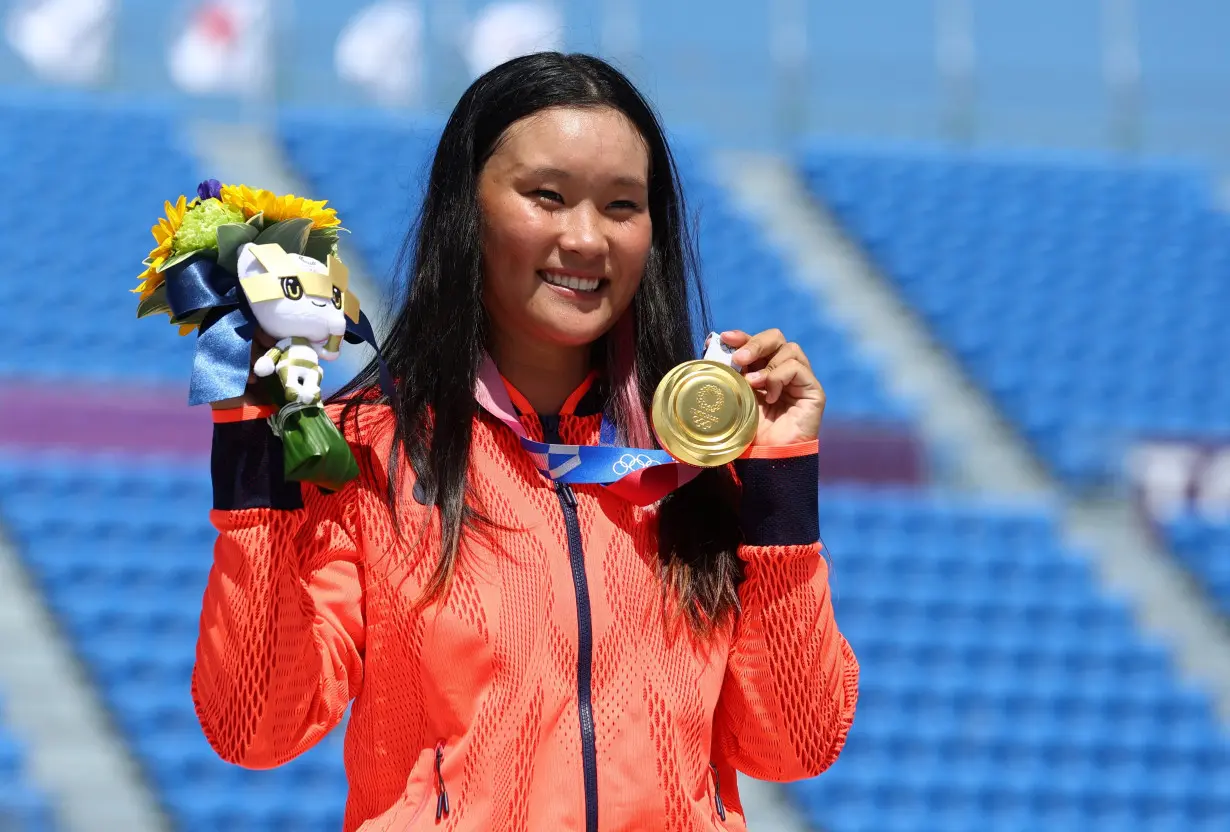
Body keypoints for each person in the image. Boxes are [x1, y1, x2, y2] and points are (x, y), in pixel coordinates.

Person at [195, 52, 858, 832]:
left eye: (622, 206)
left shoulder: (695, 459)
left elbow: (798, 745)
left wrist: (781, 487)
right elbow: (254, 727)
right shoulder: (365, 450)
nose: (586, 238)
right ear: (466, 212)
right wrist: (250, 458)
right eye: (547, 196)